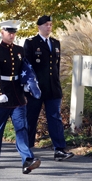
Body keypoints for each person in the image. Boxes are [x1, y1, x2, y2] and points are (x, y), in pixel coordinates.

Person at [0, 20, 41, 174]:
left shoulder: (19, 50)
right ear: (2, 32)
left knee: (22, 128)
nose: (12, 35)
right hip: (2, 95)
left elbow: (25, 69)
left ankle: (27, 160)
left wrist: (26, 83)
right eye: (9, 32)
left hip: (17, 95)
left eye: (14, 32)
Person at [23, 15, 74, 161]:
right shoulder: (31, 43)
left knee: (55, 118)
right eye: (46, 25)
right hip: (36, 88)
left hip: (52, 88)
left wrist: (57, 84)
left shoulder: (55, 43)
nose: (49, 27)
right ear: (39, 26)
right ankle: (27, 149)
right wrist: (28, 85)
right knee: (31, 118)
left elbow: (56, 67)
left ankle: (59, 149)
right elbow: (27, 66)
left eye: (51, 24)